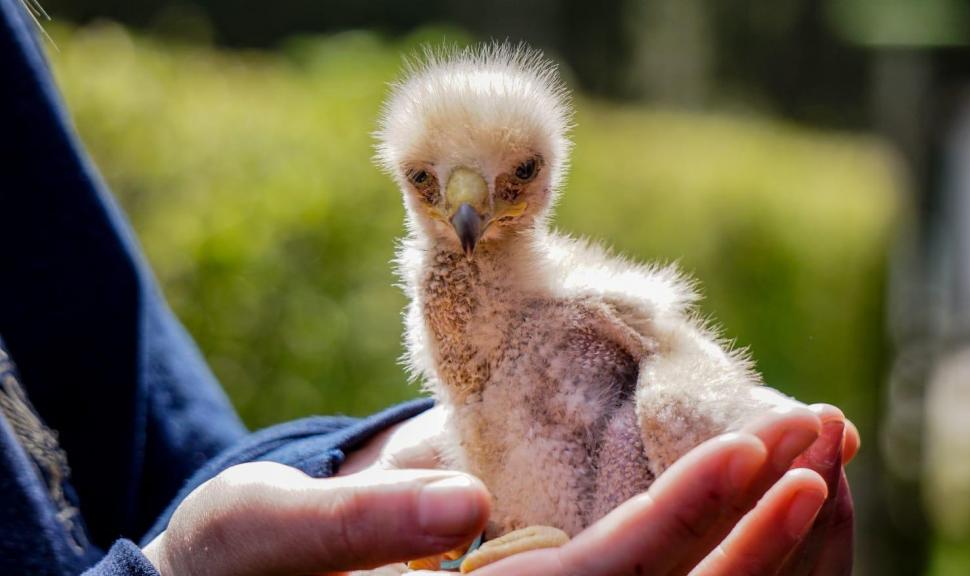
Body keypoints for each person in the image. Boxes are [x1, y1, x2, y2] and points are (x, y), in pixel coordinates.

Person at [0, 1, 858, 574]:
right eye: (429, 186)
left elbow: (147, 459)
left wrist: (338, 472)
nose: (469, 220)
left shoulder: (602, 317)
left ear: (549, 169)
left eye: (513, 178)